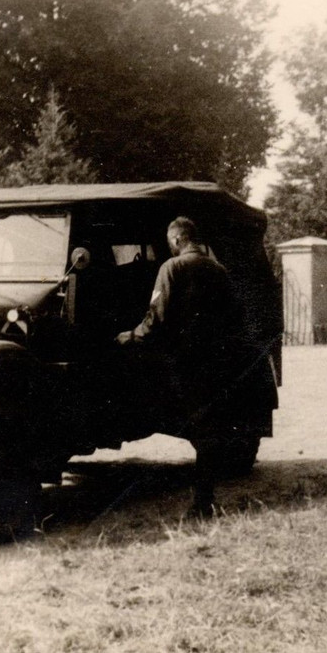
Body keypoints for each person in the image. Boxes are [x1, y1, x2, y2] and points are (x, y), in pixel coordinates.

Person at [117, 216, 240, 518]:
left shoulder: (171, 268)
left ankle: (202, 505)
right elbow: (234, 317)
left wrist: (130, 336)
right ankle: (205, 498)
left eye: (170, 242)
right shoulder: (219, 270)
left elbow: (156, 316)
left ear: (176, 240)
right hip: (214, 362)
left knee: (195, 426)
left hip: (183, 363)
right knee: (208, 430)